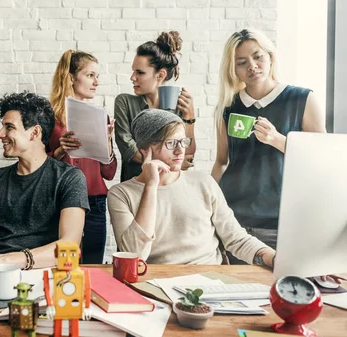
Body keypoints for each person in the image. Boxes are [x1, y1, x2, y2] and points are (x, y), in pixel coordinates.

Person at [107, 109, 276, 267]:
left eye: (183, 142)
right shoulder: (121, 194)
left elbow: (236, 239)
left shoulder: (203, 182)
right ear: (145, 150)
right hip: (157, 283)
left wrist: (273, 258)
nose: (181, 151)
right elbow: (134, 257)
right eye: (171, 143)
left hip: (210, 280)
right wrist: (151, 186)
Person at [211, 29, 326, 251]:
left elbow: (320, 158)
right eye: (242, 62)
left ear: (270, 56)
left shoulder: (302, 99)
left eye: (257, 56)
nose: (252, 66)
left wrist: (278, 140)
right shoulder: (227, 107)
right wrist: (206, 206)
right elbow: (222, 162)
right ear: (233, 69)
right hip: (234, 223)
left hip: (283, 222)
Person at [0, 92, 90, 271]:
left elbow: (69, 246)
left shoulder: (69, 178)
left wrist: (4, 260)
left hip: (47, 274)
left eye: (9, 127)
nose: (0, 134)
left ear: (34, 133)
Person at [48, 50, 117, 264]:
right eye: (90, 75)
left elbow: (110, 172)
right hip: (60, 202)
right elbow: (36, 166)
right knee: (64, 264)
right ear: (70, 78)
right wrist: (60, 151)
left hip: (95, 202)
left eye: (97, 76)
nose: (96, 82)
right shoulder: (49, 118)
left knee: (94, 265)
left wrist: (106, 142)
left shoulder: (100, 117)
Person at [114, 31, 197, 182]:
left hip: (170, 187)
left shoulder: (180, 105)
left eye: (140, 72)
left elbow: (188, 155)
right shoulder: (125, 103)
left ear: (160, 75)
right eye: (133, 71)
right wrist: (170, 160)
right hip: (136, 188)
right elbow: (129, 150)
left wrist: (190, 118)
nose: (133, 77)